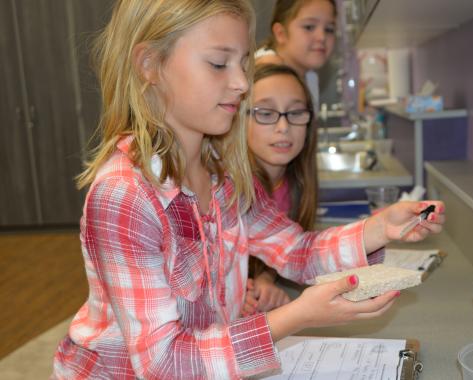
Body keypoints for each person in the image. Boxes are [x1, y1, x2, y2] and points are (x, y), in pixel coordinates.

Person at [51, 1, 445, 379]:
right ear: (150, 64)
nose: (241, 83)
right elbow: (164, 365)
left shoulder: (221, 174)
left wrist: (381, 228)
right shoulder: (125, 198)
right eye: (219, 63)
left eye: (242, 64)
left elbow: (296, 251)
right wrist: (297, 316)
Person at [241, 63, 318, 316]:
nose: (283, 127)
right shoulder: (227, 190)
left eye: (295, 113)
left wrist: (265, 279)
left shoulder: (295, 186)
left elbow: (275, 253)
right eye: (265, 113)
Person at [256, 0, 337, 113]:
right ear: (281, 33)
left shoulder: (309, 76)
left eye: (329, 29)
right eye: (309, 27)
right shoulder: (268, 76)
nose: (322, 37)